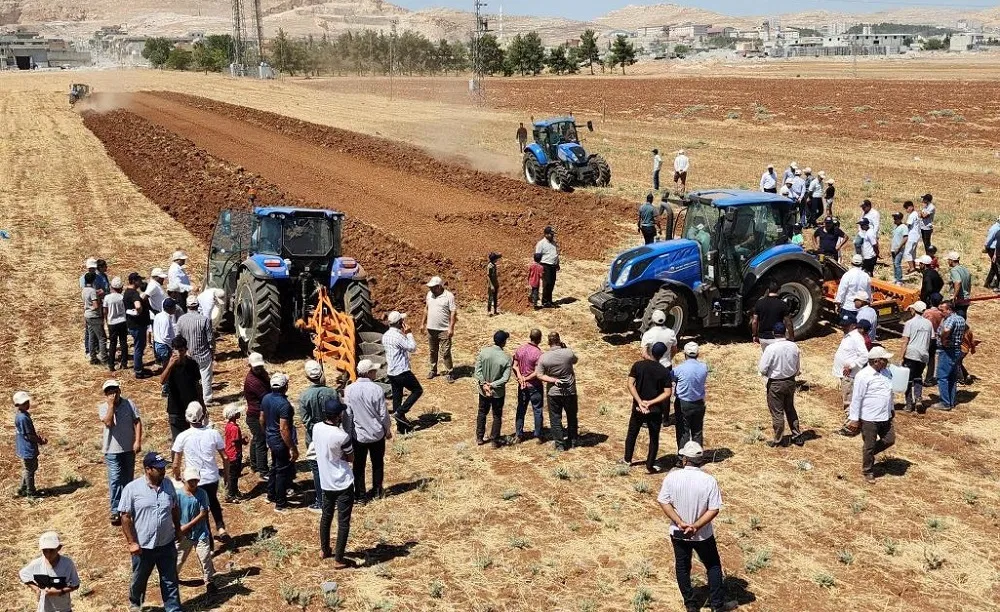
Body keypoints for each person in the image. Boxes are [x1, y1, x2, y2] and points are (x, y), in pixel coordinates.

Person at [658, 441, 736, 612]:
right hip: (703, 534)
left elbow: (664, 501)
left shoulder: (672, 477)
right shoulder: (709, 481)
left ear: (685, 459)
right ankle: (717, 605)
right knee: (713, 566)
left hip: (679, 532)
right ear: (700, 461)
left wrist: (679, 522)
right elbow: (714, 509)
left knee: (683, 566)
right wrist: (696, 526)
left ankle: (691, 605)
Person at [119, 452, 182, 612]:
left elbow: (174, 508)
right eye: (159, 468)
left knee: (170, 580)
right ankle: (135, 604)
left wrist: (178, 528)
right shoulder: (132, 489)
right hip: (143, 547)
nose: (163, 471)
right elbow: (125, 517)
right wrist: (132, 542)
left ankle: (173, 608)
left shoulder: (168, 484)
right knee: (139, 579)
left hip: (166, 543)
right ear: (148, 469)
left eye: (164, 468)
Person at [171, 402, 228, 539]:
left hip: (194, 479)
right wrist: (226, 475)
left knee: (201, 510)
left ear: (186, 418)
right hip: (212, 477)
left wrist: (177, 475)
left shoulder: (182, 437)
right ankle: (220, 528)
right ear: (203, 416)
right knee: (213, 500)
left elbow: (175, 462)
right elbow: (225, 457)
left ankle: (208, 541)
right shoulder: (213, 433)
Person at [844, 347, 898, 484]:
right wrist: (854, 419)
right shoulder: (864, 376)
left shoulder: (886, 372)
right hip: (869, 417)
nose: (887, 362)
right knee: (869, 444)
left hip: (884, 415)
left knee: (889, 439)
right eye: (884, 360)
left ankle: (868, 454)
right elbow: (857, 398)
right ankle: (868, 470)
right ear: (876, 361)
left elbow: (889, 393)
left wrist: (891, 408)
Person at [313, 398, 355, 569]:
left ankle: (324, 550)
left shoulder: (316, 428)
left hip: (326, 481)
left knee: (326, 515)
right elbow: (351, 457)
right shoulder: (342, 436)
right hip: (343, 482)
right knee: (343, 522)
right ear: (338, 415)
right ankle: (339, 557)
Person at [343, 359, 392, 502]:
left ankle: (360, 495)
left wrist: (347, 434)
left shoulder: (350, 389)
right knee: (377, 463)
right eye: (374, 371)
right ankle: (377, 490)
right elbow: (383, 414)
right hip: (377, 434)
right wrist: (387, 430)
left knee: (358, 466)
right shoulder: (377, 389)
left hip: (359, 435)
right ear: (369, 373)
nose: (375, 372)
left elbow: (348, 415)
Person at [299, 360, 341, 512]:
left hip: (313, 438)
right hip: (332, 435)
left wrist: (317, 430)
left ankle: (321, 501)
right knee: (332, 465)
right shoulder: (331, 392)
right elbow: (339, 413)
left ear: (307, 376)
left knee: (317, 469)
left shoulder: (304, 396)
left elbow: (305, 420)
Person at [624, 342, 672, 473]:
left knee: (632, 433)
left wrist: (640, 401)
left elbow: (630, 384)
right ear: (662, 355)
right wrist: (650, 403)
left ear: (650, 351)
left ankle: (627, 460)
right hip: (655, 410)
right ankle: (650, 465)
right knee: (654, 437)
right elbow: (667, 393)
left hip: (638, 408)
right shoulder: (664, 372)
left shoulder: (638, 365)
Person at [99, 379, 142, 526]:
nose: (113, 394)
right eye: (109, 392)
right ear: (106, 394)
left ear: (119, 391)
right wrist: (111, 405)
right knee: (115, 480)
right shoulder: (103, 407)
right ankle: (115, 510)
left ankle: (128, 507)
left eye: (115, 390)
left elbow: (137, 422)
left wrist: (137, 441)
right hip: (112, 450)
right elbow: (109, 423)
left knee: (128, 480)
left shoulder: (129, 404)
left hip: (128, 448)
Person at [758, 322, 803, 447]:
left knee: (777, 412)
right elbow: (797, 367)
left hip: (776, 383)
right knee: (790, 409)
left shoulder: (771, 348)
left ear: (773, 333)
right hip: (790, 381)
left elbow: (762, 369)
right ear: (785, 332)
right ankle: (797, 435)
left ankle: (778, 440)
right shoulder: (794, 346)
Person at [535, 332, 579, 451]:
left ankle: (560, 444)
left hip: (553, 392)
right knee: (571, 417)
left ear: (549, 342)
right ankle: (573, 441)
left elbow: (539, 375)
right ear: (559, 340)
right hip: (570, 391)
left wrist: (553, 379)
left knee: (555, 419)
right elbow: (575, 360)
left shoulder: (544, 357)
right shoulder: (568, 352)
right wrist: (564, 348)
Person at [175, 466, 216, 593]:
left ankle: (209, 581)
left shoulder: (201, 493)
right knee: (178, 560)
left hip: (199, 533)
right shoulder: (178, 495)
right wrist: (177, 529)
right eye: (190, 481)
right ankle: (172, 578)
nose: (194, 483)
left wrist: (185, 527)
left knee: (205, 558)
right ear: (183, 480)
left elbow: (203, 513)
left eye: (196, 481)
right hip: (184, 535)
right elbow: (173, 513)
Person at [19, 531, 80, 612]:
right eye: (45, 550)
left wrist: (59, 592)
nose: (48, 554)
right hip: (44, 608)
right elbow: (22, 574)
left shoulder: (67, 564)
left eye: (51, 550)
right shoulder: (37, 564)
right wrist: (36, 589)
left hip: (63, 608)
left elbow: (76, 584)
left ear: (59, 548)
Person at [262, 373, 298, 512]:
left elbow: (261, 418)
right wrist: (292, 447)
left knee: (274, 467)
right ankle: (281, 503)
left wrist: (267, 433)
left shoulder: (266, 398)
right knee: (282, 472)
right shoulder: (285, 405)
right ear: (285, 387)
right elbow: (284, 429)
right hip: (280, 441)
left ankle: (270, 495)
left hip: (271, 438)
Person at [382, 311, 422, 433]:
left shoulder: (386, 335)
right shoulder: (397, 336)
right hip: (401, 371)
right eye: (402, 321)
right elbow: (412, 348)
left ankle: (400, 428)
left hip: (391, 372)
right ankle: (400, 412)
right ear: (400, 322)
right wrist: (409, 333)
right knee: (417, 390)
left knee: (397, 397)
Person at [474, 330, 513, 448]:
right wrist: (492, 385)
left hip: (483, 391)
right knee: (497, 415)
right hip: (498, 393)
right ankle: (494, 440)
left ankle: (480, 437)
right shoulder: (506, 358)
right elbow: (505, 379)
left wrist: (485, 384)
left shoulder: (484, 352)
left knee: (482, 413)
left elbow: (477, 371)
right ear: (504, 342)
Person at [160, 336, 202, 440]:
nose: (179, 353)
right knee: (177, 441)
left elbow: (197, 385)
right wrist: (170, 365)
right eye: (176, 350)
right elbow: (162, 381)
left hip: (191, 408)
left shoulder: (192, 364)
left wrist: (202, 404)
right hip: (175, 409)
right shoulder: (168, 364)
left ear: (185, 350)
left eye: (181, 350)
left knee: (194, 439)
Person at [176, 296, 214, 405]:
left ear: (187, 306)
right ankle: (207, 399)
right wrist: (212, 351)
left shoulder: (181, 320)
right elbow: (210, 339)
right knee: (205, 377)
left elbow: (178, 337)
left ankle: (190, 398)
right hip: (203, 354)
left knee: (189, 377)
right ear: (197, 306)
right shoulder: (204, 320)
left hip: (188, 354)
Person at [673, 342, 709, 455]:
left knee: (683, 431)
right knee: (697, 432)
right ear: (698, 354)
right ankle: (697, 456)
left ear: (685, 354)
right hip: (699, 403)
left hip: (683, 403)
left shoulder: (679, 369)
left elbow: (672, 378)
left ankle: (682, 458)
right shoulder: (704, 367)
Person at [899, 301, 932, 413]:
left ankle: (909, 404)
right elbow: (931, 338)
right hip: (923, 354)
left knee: (907, 379)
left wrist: (901, 357)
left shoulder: (910, 323)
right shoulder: (928, 323)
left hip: (911, 354)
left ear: (914, 310)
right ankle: (918, 398)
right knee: (918, 376)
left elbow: (905, 341)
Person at [513, 329, 545, 443]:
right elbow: (537, 372)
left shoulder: (520, 349)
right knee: (537, 410)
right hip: (535, 386)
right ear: (539, 339)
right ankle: (538, 435)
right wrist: (526, 378)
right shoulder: (539, 354)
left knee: (521, 409)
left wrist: (520, 377)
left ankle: (519, 434)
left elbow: (515, 365)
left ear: (530, 337)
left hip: (522, 386)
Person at [933, 301, 966, 412]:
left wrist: (943, 340)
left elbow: (946, 330)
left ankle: (945, 403)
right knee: (952, 377)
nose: (940, 313)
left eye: (942, 310)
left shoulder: (950, 319)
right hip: (957, 350)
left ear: (949, 310)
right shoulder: (961, 319)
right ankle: (951, 401)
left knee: (942, 377)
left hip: (947, 351)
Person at [832, 315, 869, 412]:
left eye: (846, 325)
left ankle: (850, 423)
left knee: (849, 402)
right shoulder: (848, 335)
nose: (843, 327)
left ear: (853, 326)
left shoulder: (856, 337)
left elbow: (864, 355)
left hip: (849, 375)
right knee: (847, 399)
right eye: (842, 325)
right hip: (844, 374)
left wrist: (852, 366)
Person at [423, 276, 456, 382]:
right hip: (431, 328)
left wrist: (451, 328)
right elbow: (426, 309)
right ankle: (433, 370)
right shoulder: (429, 295)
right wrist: (422, 323)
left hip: (444, 329)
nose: (430, 289)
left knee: (445, 352)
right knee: (433, 351)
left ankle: (449, 372)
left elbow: (453, 313)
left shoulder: (449, 296)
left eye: (432, 287)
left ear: (438, 286)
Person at [14, 391, 46, 498]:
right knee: (30, 470)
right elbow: (29, 435)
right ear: (17, 404)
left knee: (28, 469)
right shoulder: (23, 418)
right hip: (27, 448)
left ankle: (22, 489)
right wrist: (40, 441)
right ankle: (31, 492)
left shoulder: (20, 415)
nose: (27, 404)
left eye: (27, 401)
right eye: (24, 403)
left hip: (24, 447)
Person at [243, 352, 270, 479]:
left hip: (255, 414)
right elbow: (266, 396)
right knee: (261, 442)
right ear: (250, 365)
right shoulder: (253, 381)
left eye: (260, 367)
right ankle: (263, 471)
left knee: (256, 439)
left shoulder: (260, 375)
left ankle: (254, 464)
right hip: (256, 416)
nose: (259, 369)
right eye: (256, 367)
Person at [124, 272, 151, 378]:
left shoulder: (126, 292)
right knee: (139, 347)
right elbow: (138, 306)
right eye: (139, 280)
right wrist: (139, 312)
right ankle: (139, 371)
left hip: (132, 324)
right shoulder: (134, 294)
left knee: (138, 346)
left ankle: (139, 366)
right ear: (134, 281)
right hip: (138, 325)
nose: (141, 282)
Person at [752, 280, 793, 349]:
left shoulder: (759, 303)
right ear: (779, 290)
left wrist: (754, 335)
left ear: (767, 290)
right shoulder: (782, 304)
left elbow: (754, 322)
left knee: (767, 355)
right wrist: (791, 337)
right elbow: (788, 323)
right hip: (777, 338)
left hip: (763, 338)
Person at [82, 271, 108, 366]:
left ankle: (93, 357)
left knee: (91, 337)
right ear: (93, 280)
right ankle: (104, 358)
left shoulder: (84, 290)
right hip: (94, 316)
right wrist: (101, 302)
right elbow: (95, 305)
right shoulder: (92, 291)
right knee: (102, 338)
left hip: (87, 315)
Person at [222, 403, 247, 503]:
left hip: (229, 453)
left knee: (233, 475)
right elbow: (235, 441)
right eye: (237, 412)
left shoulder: (228, 426)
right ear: (233, 415)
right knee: (234, 475)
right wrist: (243, 441)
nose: (239, 413)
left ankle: (234, 492)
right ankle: (231, 495)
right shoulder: (235, 428)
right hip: (235, 454)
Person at [103, 276, 129, 372]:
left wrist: (106, 320)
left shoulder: (107, 298)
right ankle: (124, 363)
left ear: (111, 287)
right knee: (123, 342)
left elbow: (105, 310)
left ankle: (111, 364)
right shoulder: (122, 297)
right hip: (122, 321)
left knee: (113, 343)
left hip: (112, 322)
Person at [922, 293, 945, 387]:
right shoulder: (941, 314)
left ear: (930, 301)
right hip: (935, 338)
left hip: (925, 337)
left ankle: (916, 377)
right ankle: (929, 378)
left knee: (921, 357)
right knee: (931, 359)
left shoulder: (926, 312)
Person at [534, 226, 560, 308]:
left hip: (553, 266)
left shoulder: (554, 243)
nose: (552, 236)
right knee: (547, 283)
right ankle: (545, 302)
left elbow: (555, 254)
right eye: (550, 234)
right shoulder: (541, 244)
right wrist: (538, 267)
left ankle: (549, 300)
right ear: (545, 234)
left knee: (552, 283)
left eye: (553, 234)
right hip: (545, 265)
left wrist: (557, 263)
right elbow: (537, 256)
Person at [152, 298, 177, 369]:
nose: (175, 308)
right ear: (170, 308)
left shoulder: (158, 315)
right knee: (168, 367)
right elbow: (165, 336)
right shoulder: (165, 319)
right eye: (174, 306)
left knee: (165, 366)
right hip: (164, 346)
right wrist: (172, 345)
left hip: (158, 343)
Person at [946, 252, 972, 319]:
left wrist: (954, 296)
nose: (948, 262)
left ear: (951, 261)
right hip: (966, 298)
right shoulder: (965, 269)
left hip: (959, 300)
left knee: (958, 319)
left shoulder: (954, 270)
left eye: (948, 260)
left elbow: (958, 282)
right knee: (963, 319)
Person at [890, 211, 908, 285]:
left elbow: (905, 238)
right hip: (894, 248)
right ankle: (896, 278)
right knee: (894, 264)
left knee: (897, 263)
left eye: (896, 218)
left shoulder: (904, 227)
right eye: (894, 218)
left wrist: (899, 247)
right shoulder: (895, 227)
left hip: (899, 249)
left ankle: (899, 280)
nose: (894, 220)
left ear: (900, 219)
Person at [903, 201, 921, 273]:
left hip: (911, 236)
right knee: (912, 252)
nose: (906, 210)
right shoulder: (916, 214)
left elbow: (908, 225)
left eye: (907, 208)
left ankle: (912, 268)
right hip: (916, 236)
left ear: (911, 207)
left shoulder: (912, 215)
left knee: (907, 253)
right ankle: (913, 267)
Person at [984, 215, 1000, 292]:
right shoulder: (995, 228)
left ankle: (988, 283)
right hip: (992, 249)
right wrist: (986, 247)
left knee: (994, 267)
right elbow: (989, 239)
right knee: (995, 267)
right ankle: (993, 284)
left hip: (996, 249)